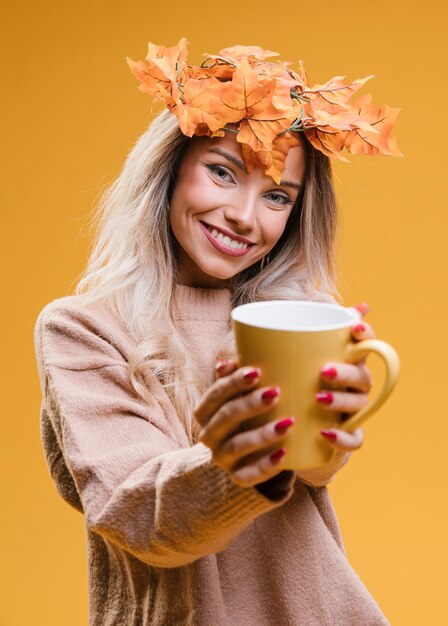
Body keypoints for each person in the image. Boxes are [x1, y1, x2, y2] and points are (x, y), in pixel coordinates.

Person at [34, 39, 401, 625]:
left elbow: (312, 467)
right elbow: (141, 518)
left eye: (277, 195)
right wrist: (232, 464)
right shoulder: (84, 330)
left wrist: (328, 425)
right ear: (170, 168)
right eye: (223, 172)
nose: (244, 216)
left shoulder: (289, 318)